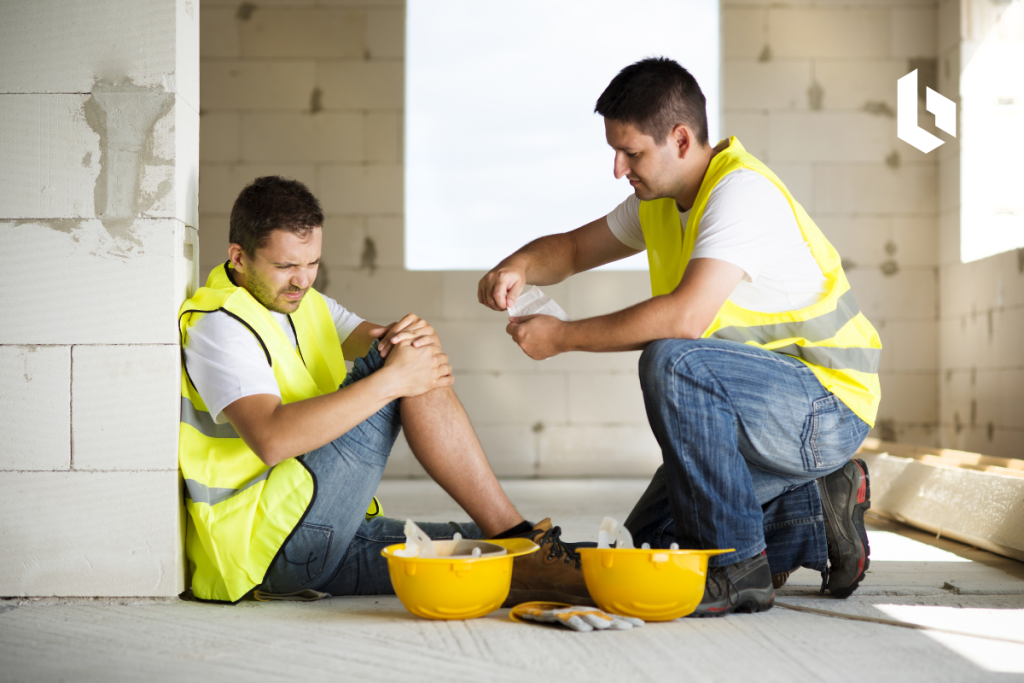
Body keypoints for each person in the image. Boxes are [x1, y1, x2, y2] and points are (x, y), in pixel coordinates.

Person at [478, 58, 880, 617]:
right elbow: (571, 250)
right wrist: (516, 266)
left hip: (825, 405)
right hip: (760, 410)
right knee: (649, 548)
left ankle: (739, 570)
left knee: (673, 361)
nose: (619, 169)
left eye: (631, 153)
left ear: (681, 139)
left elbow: (685, 319)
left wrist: (563, 337)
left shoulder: (740, 194)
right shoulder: (660, 200)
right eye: (615, 152)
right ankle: (819, 511)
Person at [178, 176, 589, 605]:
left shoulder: (304, 303)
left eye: (312, 263)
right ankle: (521, 538)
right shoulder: (220, 325)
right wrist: (397, 376)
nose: (302, 281)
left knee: (487, 551)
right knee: (403, 365)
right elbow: (271, 439)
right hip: (272, 541)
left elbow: (382, 338)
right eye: (284, 267)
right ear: (238, 258)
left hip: (322, 539)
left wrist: (416, 336)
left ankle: (539, 553)